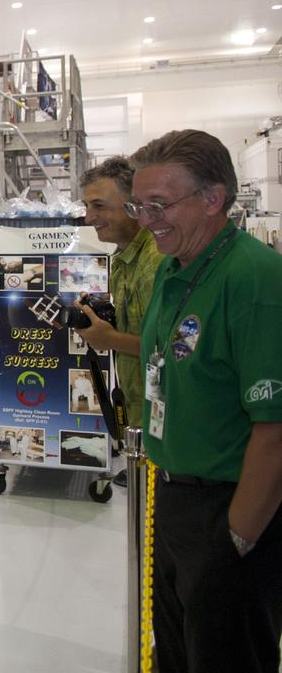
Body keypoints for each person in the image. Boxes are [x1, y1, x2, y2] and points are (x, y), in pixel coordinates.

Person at [130, 129, 282, 673]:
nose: (146, 220)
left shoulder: (254, 279)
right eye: (139, 205)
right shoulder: (176, 270)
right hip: (175, 500)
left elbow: (275, 430)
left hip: (232, 508)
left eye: (159, 205)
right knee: (176, 651)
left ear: (213, 199)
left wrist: (237, 539)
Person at [73, 157, 163, 479]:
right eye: (86, 205)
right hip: (139, 413)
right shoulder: (123, 260)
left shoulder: (157, 261)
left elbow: (172, 352)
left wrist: (109, 340)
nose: (89, 217)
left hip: (165, 421)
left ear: (133, 206)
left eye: (99, 206)